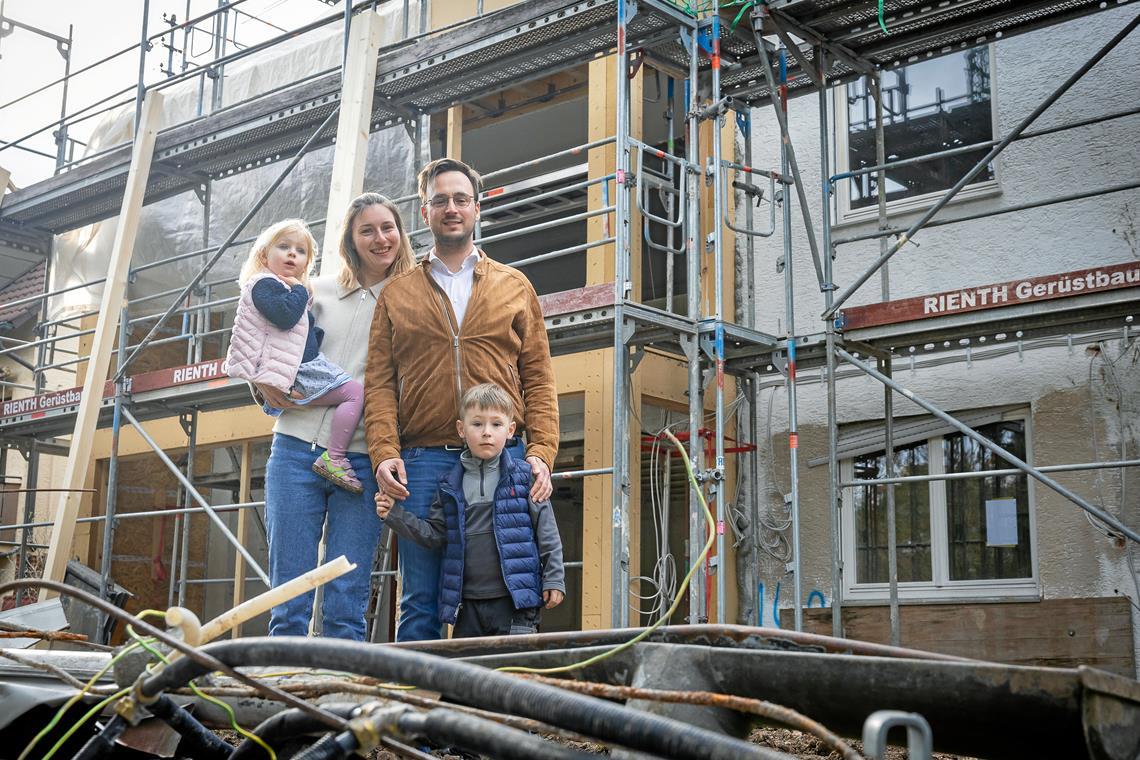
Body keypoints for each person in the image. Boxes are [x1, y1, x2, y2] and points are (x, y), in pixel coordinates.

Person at [364, 157, 559, 642]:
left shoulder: (514, 286)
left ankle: (494, 690)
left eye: (460, 199)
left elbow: (538, 377)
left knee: (507, 591)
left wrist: (540, 452)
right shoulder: (397, 294)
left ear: (476, 207)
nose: (451, 208)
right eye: (440, 200)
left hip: (503, 459)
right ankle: (417, 694)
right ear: (425, 212)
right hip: (423, 462)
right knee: (421, 600)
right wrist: (384, 451)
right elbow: (379, 384)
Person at [253, 195, 416, 639]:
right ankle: (283, 678)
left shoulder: (408, 301)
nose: (379, 238)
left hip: (361, 459)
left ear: (401, 234)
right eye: (367, 230)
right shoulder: (313, 291)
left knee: (347, 601)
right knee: (288, 596)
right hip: (293, 450)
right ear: (350, 240)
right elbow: (267, 344)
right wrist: (260, 386)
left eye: (387, 228)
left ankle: (340, 682)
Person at [374, 384, 564, 637]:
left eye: (496, 424)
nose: (487, 432)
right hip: (467, 605)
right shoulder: (449, 485)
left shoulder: (526, 477)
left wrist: (554, 578)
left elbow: (547, 532)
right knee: (468, 663)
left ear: (510, 430)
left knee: (515, 661)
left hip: (517, 603)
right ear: (461, 429)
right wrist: (394, 515)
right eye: (477, 424)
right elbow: (435, 535)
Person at [226, 219, 366, 493]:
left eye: (300, 251)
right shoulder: (263, 284)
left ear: (306, 264)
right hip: (298, 371)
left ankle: (334, 455)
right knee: (354, 394)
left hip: (294, 369)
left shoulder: (286, 289)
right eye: (284, 247)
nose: (292, 253)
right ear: (264, 255)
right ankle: (335, 457)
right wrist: (300, 289)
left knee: (352, 394)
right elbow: (286, 316)